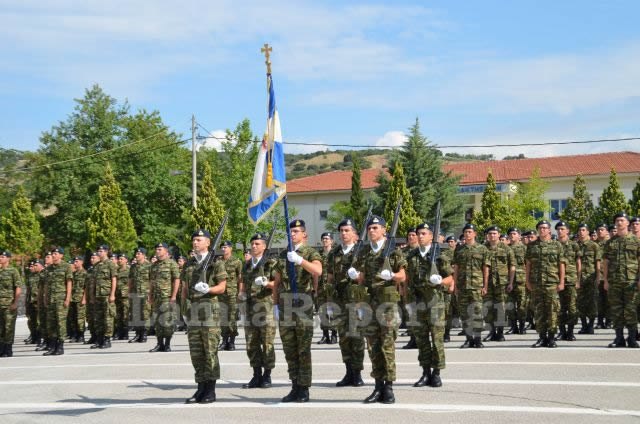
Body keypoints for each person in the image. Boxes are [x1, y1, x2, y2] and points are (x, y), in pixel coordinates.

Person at [349, 215, 407, 404]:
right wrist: (355, 274)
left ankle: (389, 387)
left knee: (387, 345)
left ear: (384, 230)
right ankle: (378, 386)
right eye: (370, 228)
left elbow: (403, 276)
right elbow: (361, 276)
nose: (372, 231)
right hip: (368, 304)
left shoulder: (394, 250)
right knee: (373, 346)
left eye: (375, 228)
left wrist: (392, 275)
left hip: (387, 305)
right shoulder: (365, 251)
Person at [274, 219, 323, 403]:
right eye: (291, 231)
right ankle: (294, 385)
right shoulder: (284, 254)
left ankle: (304, 388)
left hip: (302, 305)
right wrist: (275, 305)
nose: (293, 234)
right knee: (289, 349)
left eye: (296, 231)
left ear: (304, 234)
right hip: (285, 306)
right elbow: (277, 281)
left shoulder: (310, 252)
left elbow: (318, 271)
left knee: (303, 349)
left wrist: (301, 260)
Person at [406, 223, 454, 388]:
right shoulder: (411, 256)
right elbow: (407, 280)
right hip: (418, 303)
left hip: (435, 303)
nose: (420, 236)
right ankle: (425, 372)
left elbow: (450, 279)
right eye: (418, 233)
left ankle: (437, 373)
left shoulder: (440, 255)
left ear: (431, 236)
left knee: (437, 339)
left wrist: (440, 281)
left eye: (424, 233)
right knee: (421, 340)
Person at [183, 229, 228, 404]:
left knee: (210, 352)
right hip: (193, 312)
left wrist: (208, 289)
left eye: (199, 240)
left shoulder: (216, 264)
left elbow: (222, 287)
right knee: (196, 353)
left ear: (208, 242)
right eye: (194, 240)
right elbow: (185, 289)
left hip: (210, 313)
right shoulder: (189, 264)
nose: (195, 243)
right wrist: (184, 311)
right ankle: (200, 388)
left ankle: (210, 390)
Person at [326, 218, 365, 387]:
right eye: (341, 231)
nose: (344, 233)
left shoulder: (362, 251)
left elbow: (367, 277)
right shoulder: (334, 253)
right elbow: (329, 278)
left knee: (356, 337)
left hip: (356, 300)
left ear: (355, 234)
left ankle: (357, 373)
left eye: (347, 230)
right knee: (343, 338)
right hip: (339, 300)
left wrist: (358, 277)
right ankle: (348, 372)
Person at [239, 232, 277, 389]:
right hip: (249, 308)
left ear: (264, 246)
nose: (254, 246)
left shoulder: (271, 263)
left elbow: (278, 284)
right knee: (251, 343)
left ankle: (267, 376)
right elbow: (243, 283)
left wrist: (267, 283)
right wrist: (240, 295)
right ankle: (256, 375)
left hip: (265, 308)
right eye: (252, 244)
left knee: (267, 343)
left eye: (257, 244)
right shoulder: (247, 265)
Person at [526, 220, 565, 348]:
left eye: (545, 228)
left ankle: (552, 338)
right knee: (539, 311)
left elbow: (561, 264)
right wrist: (527, 281)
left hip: (551, 283)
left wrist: (562, 281)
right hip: (536, 283)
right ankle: (542, 337)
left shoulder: (557, 245)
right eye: (540, 228)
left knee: (552, 310)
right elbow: (528, 265)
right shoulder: (532, 246)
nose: (542, 230)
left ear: (549, 230)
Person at [603, 213, 640, 348]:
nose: (619, 223)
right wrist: (606, 280)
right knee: (616, 311)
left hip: (631, 281)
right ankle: (619, 338)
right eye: (617, 220)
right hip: (614, 282)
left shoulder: (636, 241)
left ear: (627, 223)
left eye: (622, 220)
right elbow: (606, 262)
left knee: (631, 309)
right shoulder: (610, 242)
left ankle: (632, 338)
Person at [453, 224, 490, 348]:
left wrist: (485, 285)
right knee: (464, 314)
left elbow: (485, 268)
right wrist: (455, 285)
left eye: (470, 232)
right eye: (465, 232)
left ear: (475, 234)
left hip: (476, 286)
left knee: (477, 313)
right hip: (462, 286)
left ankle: (478, 339)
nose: (467, 234)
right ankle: (469, 339)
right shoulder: (459, 249)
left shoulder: (482, 249)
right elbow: (456, 268)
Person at [483, 226, 515, 342]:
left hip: (502, 283)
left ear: (499, 234)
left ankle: (500, 332)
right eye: (490, 233)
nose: (492, 235)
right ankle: (491, 332)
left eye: (495, 233)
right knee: (488, 308)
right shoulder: (483, 248)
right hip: (487, 283)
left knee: (501, 308)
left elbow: (512, 266)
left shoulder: (506, 249)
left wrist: (511, 282)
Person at [148, 243, 180, 353]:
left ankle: (167, 344)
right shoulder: (154, 265)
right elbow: (151, 282)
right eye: (156, 249)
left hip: (167, 297)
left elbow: (176, 280)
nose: (157, 251)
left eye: (159, 249)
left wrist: (174, 296)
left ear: (166, 251)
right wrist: (150, 295)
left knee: (166, 321)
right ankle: (159, 344)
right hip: (156, 297)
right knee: (157, 322)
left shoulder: (172, 264)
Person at [555, 221, 582, 341]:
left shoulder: (574, 245)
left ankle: (570, 331)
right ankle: (562, 331)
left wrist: (578, 279)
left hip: (571, 279)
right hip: (556, 280)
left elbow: (578, 263)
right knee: (559, 307)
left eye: (562, 229)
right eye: (558, 229)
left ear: (567, 231)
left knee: (572, 308)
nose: (560, 231)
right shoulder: (554, 245)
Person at [92, 245, 117, 349]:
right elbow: (94, 282)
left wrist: (112, 294)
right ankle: (100, 339)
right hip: (98, 295)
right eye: (98, 251)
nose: (99, 252)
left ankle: (107, 339)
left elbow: (114, 279)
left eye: (101, 251)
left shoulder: (110, 264)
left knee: (108, 317)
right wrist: (93, 295)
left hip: (107, 294)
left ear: (106, 252)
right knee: (99, 318)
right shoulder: (97, 265)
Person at [577, 224, 600, 334]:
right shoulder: (575, 245)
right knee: (580, 303)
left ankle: (590, 325)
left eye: (583, 230)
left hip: (591, 278)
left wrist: (598, 277)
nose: (581, 232)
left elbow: (597, 262)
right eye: (580, 230)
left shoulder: (594, 245)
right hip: (578, 279)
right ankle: (583, 325)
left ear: (587, 232)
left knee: (592, 302)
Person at [220, 241, 242, 351]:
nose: (224, 249)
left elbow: (240, 278)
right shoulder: (218, 262)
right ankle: (224, 341)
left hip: (233, 293)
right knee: (223, 318)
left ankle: (232, 341)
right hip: (221, 294)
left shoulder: (236, 261)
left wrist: (240, 292)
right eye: (222, 247)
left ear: (231, 248)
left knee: (232, 317)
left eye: (226, 247)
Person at [0, 251, 22, 357]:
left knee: (8, 327)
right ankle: (1, 348)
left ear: (8, 259)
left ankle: (8, 350)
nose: (0, 258)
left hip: (9, 304)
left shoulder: (13, 271)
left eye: (3, 257)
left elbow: (18, 287)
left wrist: (15, 302)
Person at [316, 232, 336, 345]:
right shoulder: (318, 255)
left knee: (332, 311)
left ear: (331, 241)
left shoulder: (335, 254)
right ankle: (325, 335)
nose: (325, 240)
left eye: (327, 239)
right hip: (320, 287)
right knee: (322, 312)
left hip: (331, 287)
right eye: (323, 239)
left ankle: (334, 334)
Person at [507, 228, 528, 334]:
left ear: (519, 236)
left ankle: (522, 326)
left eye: (514, 234)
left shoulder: (524, 248)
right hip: (508, 280)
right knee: (510, 305)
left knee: (522, 305)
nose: (512, 236)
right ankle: (513, 326)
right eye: (510, 234)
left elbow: (528, 265)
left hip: (521, 280)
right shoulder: (506, 249)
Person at [401, 227, 419, 349]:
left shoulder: (422, 250)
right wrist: (401, 287)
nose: (411, 237)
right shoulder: (403, 252)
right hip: (409, 287)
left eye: (413, 235)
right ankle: (413, 338)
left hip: (422, 287)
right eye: (409, 235)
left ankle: (421, 339)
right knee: (410, 314)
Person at [129, 248, 151, 343]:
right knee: (136, 314)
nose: (136, 255)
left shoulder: (149, 266)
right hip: (135, 293)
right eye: (136, 254)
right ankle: (138, 334)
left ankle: (144, 334)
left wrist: (151, 293)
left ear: (144, 255)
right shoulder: (133, 267)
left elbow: (152, 281)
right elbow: (130, 281)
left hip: (145, 293)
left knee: (145, 314)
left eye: (138, 254)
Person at [595, 223, 610, 329]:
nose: (600, 231)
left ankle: (609, 321)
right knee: (599, 300)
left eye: (602, 229)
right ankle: (600, 321)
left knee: (609, 300)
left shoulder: (610, 244)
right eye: (598, 230)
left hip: (609, 276)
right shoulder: (593, 244)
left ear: (606, 231)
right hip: (597, 276)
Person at [69, 256, 87, 343]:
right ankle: (75, 334)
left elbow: (86, 287)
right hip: (73, 299)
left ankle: (81, 335)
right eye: (74, 261)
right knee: (73, 318)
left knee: (80, 318)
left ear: (81, 262)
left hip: (80, 299)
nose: (75, 263)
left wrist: (84, 298)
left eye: (76, 261)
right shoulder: (73, 274)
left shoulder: (84, 273)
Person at [115, 254, 130, 340]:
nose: (119, 260)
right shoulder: (116, 270)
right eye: (119, 259)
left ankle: (125, 333)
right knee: (118, 315)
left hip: (125, 295)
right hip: (117, 295)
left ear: (126, 260)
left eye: (121, 259)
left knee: (125, 314)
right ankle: (119, 332)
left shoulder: (129, 270)